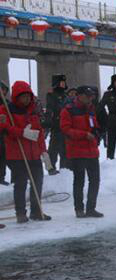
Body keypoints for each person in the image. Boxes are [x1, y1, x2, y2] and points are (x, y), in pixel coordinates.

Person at [0, 81, 51, 223]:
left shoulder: (32, 111)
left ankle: (36, 211)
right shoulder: (6, 110)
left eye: (28, 96)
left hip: (33, 153)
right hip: (17, 153)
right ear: (17, 97)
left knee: (38, 181)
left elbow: (39, 133)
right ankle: (20, 213)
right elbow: (3, 127)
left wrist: (44, 151)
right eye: (23, 96)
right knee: (20, 183)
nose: (27, 99)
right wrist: (22, 133)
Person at [60, 86, 103, 219]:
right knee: (79, 181)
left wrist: (97, 132)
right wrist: (84, 135)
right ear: (79, 95)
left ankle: (91, 208)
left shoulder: (90, 109)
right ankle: (79, 209)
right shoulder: (68, 110)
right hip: (77, 151)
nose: (90, 99)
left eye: (91, 97)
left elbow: (94, 125)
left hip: (92, 151)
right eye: (88, 96)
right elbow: (66, 129)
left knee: (95, 180)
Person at [45, 74, 70, 174]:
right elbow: (50, 109)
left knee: (64, 150)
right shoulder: (52, 95)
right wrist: (48, 122)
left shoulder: (66, 96)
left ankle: (64, 169)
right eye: (61, 82)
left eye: (64, 82)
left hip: (65, 127)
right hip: (56, 126)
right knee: (53, 150)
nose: (63, 84)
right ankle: (51, 169)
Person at [0, 81, 9, 185]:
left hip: (5, 135)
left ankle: (1, 178)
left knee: (4, 158)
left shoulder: (7, 104)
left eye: (3, 89)